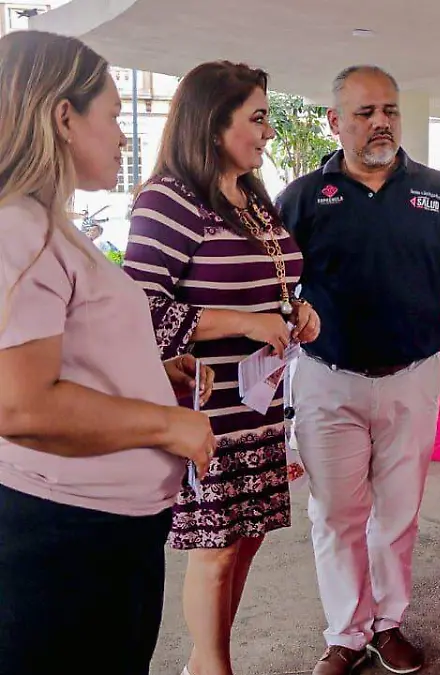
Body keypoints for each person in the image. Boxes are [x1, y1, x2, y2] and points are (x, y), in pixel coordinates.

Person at [0, 31, 216, 675]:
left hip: (96, 533)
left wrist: (151, 375)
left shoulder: (46, 225)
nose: (124, 136)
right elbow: (20, 404)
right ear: (64, 117)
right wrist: (165, 422)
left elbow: (67, 358)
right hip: (61, 538)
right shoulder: (18, 227)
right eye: (115, 114)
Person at [276, 65, 440, 675]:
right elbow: (269, 285)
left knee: (398, 514)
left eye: (390, 111)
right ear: (334, 121)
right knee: (336, 514)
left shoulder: (439, 193)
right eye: (366, 112)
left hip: (413, 376)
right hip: (327, 380)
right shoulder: (301, 198)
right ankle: (346, 634)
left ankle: (390, 623)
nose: (381, 122)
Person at [123, 61, 320, 675]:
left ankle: (207, 664)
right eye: (257, 117)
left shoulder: (251, 197)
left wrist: (294, 309)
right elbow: (138, 308)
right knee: (215, 548)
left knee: (246, 540)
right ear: (213, 124)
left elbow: (274, 279)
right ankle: (212, 668)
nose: (267, 131)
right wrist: (241, 321)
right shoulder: (169, 200)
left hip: (259, 403)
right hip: (206, 407)